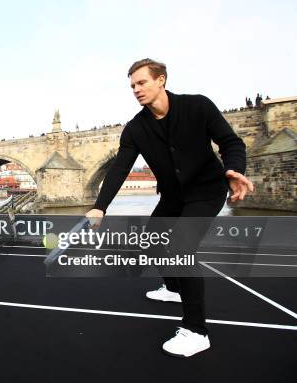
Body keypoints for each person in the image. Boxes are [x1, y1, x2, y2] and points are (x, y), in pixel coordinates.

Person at [86, 58, 254, 357]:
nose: (136, 90)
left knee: (181, 246)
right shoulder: (135, 129)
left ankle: (196, 331)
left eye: (142, 83)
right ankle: (175, 288)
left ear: (160, 80)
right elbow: (119, 168)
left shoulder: (198, 106)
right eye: (132, 86)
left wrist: (234, 169)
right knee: (152, 243)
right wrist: (100, 206)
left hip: (206, 191)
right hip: (173, 197)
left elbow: (231, 142)